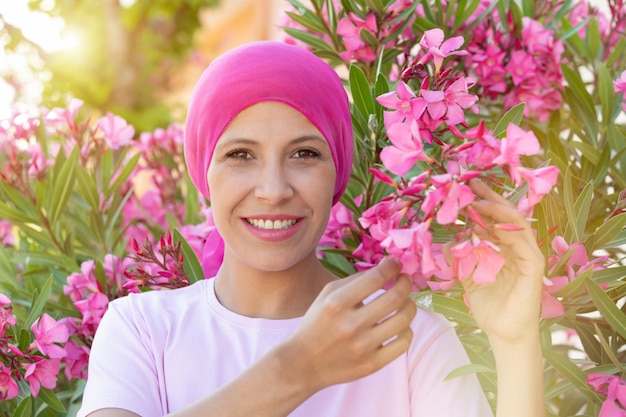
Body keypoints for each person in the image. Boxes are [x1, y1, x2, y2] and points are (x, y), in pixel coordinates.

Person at [77, 41, 546, 417]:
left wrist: (515, 341)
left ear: (337, 174)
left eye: (305, 154)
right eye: (240, 155)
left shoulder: (410, 340)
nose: (274, 190)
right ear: (204, 172)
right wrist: (300, 367)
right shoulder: (141, 328)